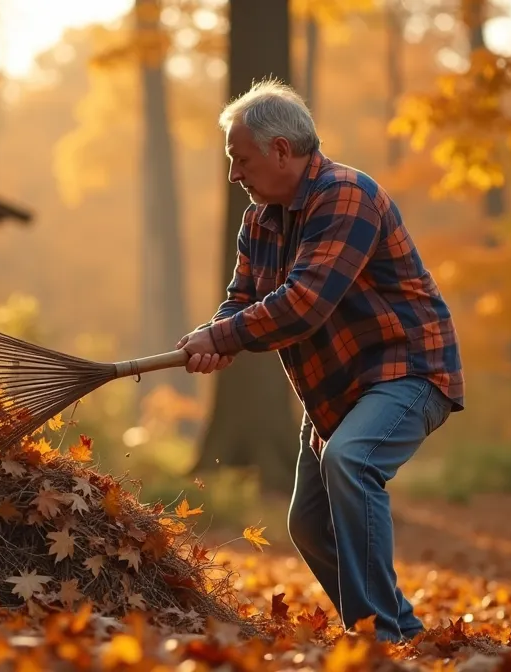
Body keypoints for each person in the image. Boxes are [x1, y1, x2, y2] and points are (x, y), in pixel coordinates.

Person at [176, 78, 466, 643]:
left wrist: (226, 335)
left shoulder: (347, 196)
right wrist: (217, 336)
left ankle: (378, 637)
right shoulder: (259, 220)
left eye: (242, 158)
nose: (235, 173)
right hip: (333, 390)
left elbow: (303, 304)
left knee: (351, 461)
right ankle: (399, 631)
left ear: (281, 149)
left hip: (407, 370)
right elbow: (243, 299)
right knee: (308, 523)